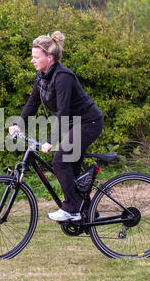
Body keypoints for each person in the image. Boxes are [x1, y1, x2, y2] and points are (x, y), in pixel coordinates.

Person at [8, 31, 104, 222]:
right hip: (73, 125)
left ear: (49, 58)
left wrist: (50, 141)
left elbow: (63, 112)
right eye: (32, 57)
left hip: (88, 123)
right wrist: (18, 124)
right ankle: (89, 213)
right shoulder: (41, 76)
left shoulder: (63, 77)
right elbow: (32, 103)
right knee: (71, 171)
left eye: (36, 57)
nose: (32, 61)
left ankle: (72, 209)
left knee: (60, 161)